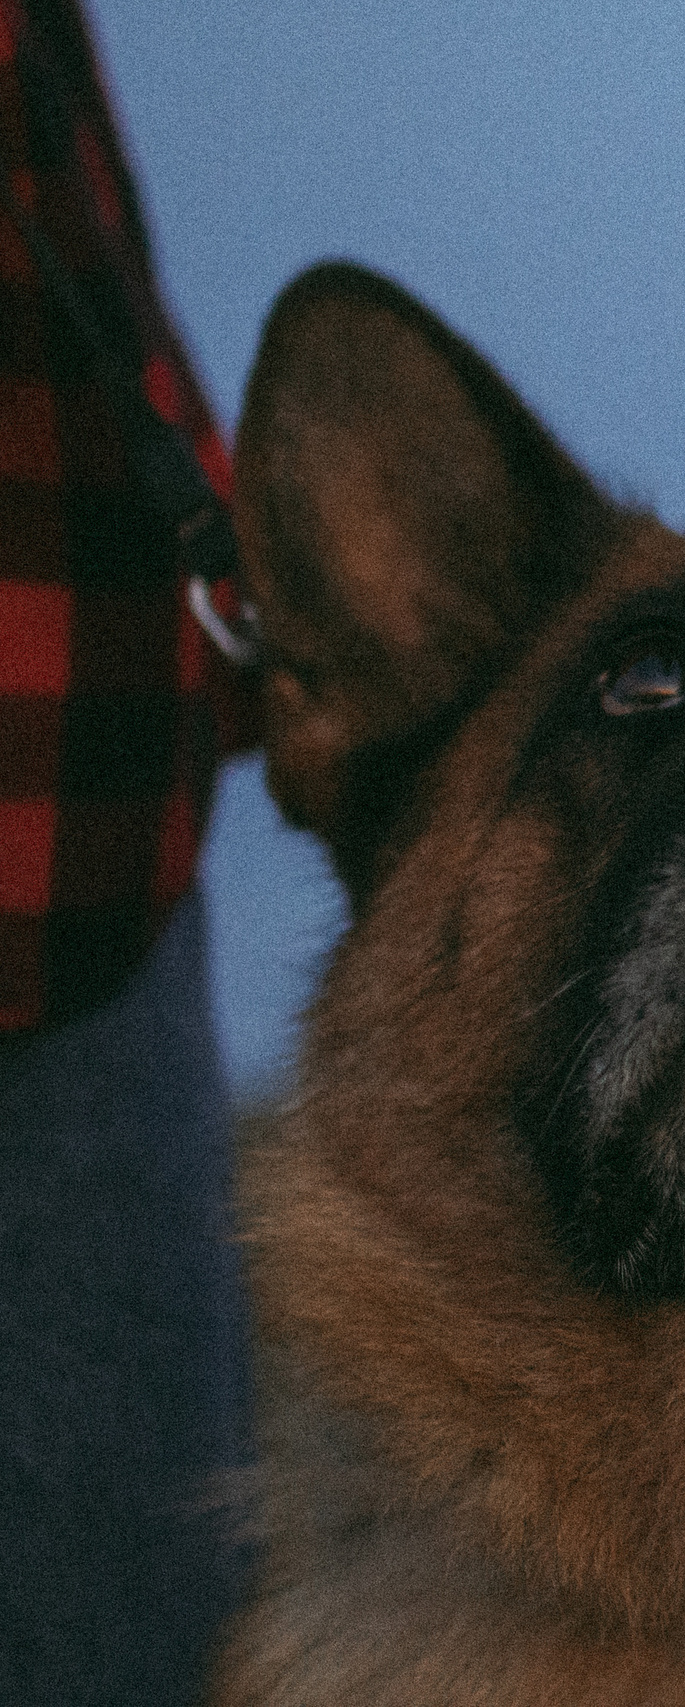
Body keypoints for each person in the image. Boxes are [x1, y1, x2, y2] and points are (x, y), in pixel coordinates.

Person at [0, 2, 259, 1701]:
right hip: (76, 787)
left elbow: (55, 207)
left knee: (150, 1628)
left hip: (80, 794)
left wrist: (224, 582)